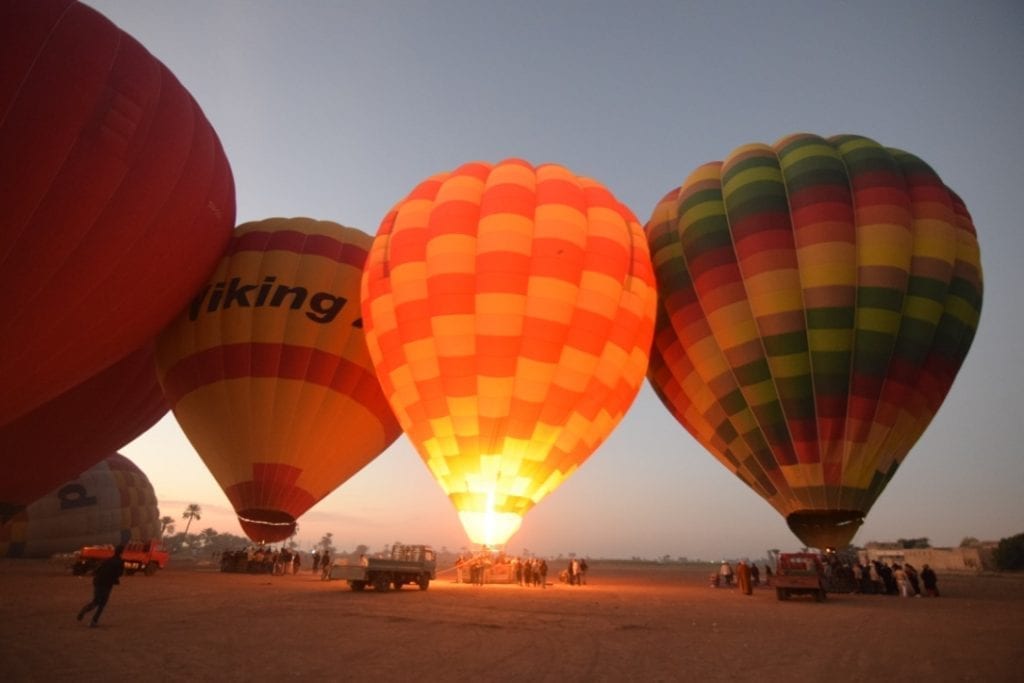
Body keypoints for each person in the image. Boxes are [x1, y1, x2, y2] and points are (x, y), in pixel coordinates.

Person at [77, 544, 125, 628]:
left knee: (95, 601)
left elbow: (98, 569)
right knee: (102, 604)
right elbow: (119, 573)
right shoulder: (120, 562)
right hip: (107, 584)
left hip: (98, 581)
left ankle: (85, 610)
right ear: (121, 552)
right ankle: (94, 621)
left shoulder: (108, 560)